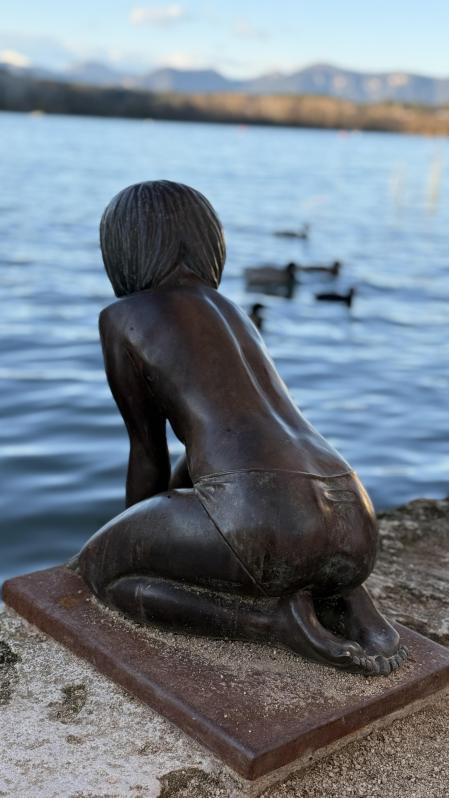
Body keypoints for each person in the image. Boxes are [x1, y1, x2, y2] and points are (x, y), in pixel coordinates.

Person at [73, 180, 407, 676]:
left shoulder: (124, 316)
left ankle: (271, 622)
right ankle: (349, 600)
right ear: (208, 242)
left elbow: (148, 453)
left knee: (105, 572)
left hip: (265, 525)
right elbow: (232, 439)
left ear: (124, 247)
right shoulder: (234, 314)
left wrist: (129, 538)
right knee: (250, 507)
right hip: (355, 519)